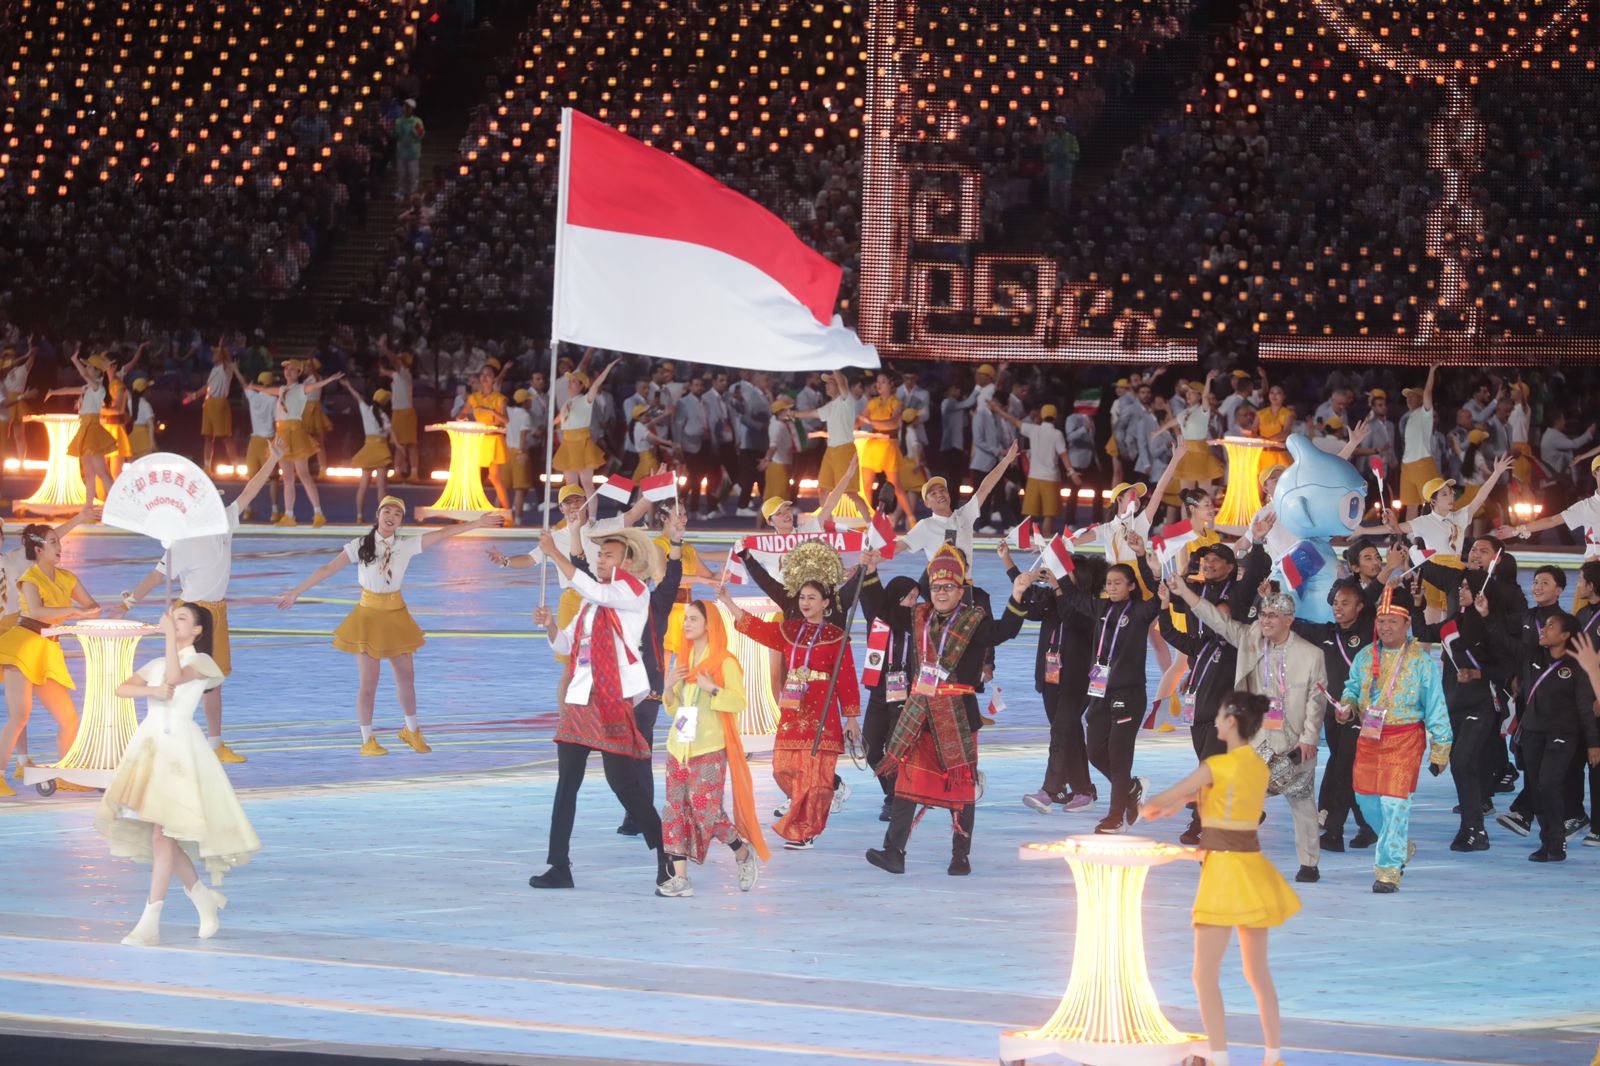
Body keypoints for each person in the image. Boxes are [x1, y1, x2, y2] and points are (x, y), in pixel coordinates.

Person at [1139, 691, 1298, 1066]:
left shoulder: (1213, 765)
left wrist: (1152, 804)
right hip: (1253, 870)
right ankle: (1273, 1055)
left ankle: (1219, 1057)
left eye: (1221, 715)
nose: (1215, 720)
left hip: (1223, 873)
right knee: (1257, 971)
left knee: (1203, 974)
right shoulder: (1258, 766)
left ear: (1231, 722)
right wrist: (1191, 800)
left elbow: (1164, 797)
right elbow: (1229, 794)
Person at [276, 497, 503, 753]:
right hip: (368, 616)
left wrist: (477, 523)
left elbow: (442, 533)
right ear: (377, 514)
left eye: (397, 513)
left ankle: (412, 731)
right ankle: (367, 740)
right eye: (387, 511)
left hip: (396, 615)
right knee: (369, 682)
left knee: (406, 677)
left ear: (400, 521)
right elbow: (328, 568)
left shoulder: (406, 545)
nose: (391, 516)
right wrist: (297, 591)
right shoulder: (360, 545)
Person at [94, 604, 261, 946]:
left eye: (183, 618)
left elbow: (174, 678)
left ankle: (149, 923)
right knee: (163, 838)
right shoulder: (155, 664)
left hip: (179, 753)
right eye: (174, 617)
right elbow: (123, 688)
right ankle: (202, 897)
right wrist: (149, 691)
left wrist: (169, 639)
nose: (175, 621)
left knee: (162, 837)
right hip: (150, 749)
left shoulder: (201, 662)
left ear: (198, 631)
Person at [863, 547, 1031, 875]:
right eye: (936, 587)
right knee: (906, 784)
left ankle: (960, 856)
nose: (941, 593)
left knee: (960, 787)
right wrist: (869, 573)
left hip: (958, 715)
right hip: (920, 715)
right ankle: (894, 852)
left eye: (948, 587)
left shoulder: (974, 621)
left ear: (960, 590)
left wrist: (1017, 595)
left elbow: (1006, 631)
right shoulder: (918, 617)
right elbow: (879, 611)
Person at [529, 527, 671, 890]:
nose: (601, 559)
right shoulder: (594, 605)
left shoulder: (633, 592)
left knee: (623, 784)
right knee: (567, 784)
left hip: (612, 697)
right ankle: (559, 865)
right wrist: (550, 627)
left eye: (608, 555)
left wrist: (555, 553)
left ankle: (667, 853)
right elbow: (566, 642)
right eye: (601, 555)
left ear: (627, 562)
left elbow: (592, 587)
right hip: (581, 698)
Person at [123, 444, 284, 764]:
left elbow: (252, 490)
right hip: (194, 614)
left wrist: (275, 458)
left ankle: (213, 744)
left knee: (213, 680)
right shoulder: (182, 540)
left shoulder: (225, 520)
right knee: (189, 680)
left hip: (215, 612)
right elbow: (157, 576)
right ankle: (171, 740)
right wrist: (129, 602)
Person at [1166, 578, 1328, 883]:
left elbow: (1316, 702)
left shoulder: (1310, 654)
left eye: (1273, 616)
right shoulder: (1251, 638)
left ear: (1289, 620)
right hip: (1256, 738)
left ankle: (1309, 863)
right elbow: (1216, 618)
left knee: (1302, 802)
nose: (1265, 621)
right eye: (1263, 615)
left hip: (1293, 741)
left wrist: (1308, 738)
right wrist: (1184, 593)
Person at [718, 541, 861, 850]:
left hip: (823, 712)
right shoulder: (789, 629)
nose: (805, 602)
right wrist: (730, 604)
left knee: (816, 777)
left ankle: (805, 830)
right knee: (782, 768)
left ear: (826, 603)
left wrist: (851, 718)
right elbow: (755, 629)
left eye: (812, 598)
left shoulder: (837, 636)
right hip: (794, 711)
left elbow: (847, 679)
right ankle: (812, 806)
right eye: (803, 597)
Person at [1335, 587, 1452, 892]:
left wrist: (1440, 748)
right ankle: (1400, 846)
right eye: (1381, 621)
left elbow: (1436, 706)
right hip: (1370, 738)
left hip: (1405, 739)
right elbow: (1351, 687)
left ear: (1407, 624)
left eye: (1392, 622)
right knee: (1365, 800)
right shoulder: (1364, 656)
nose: (1385, 627)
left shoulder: (1421, 662)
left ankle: (1388, 870)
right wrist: (1346, 705)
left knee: (1393, 804)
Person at [1158, 538, 1272, 844]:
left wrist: (1258, 542)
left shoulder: (1237, 592)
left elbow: (1256, 570)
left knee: (1210, 762)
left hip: (1228, 675)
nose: (1207, 565)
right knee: (1208, 759)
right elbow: (1172, 603)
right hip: (1203, 675)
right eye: (1204, 561)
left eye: (1215, 561)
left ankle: (1201, 822)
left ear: (1231, 568)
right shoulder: (1199, 590)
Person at [656, 600, 768, 897]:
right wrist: (668, 686)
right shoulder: (683, 660)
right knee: (673, 810)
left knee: (706, 810)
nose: (687, 624)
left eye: (693, 618)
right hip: (679, 745)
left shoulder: (724, 662)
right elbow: (676, 709)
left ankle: (741, 852)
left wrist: (712, 688)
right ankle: (680, 878)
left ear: (709, 624)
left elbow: (738, 702)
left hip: (709, 747)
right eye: (686, 619)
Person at [1054, 529, 1163, 833]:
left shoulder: (1141, 611)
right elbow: (1074, 597)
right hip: (1099, 691)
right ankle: (1129, 787)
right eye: (1109, 583)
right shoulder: (1101, 608)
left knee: (1119, 753)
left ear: (1130, 586)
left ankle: (1116, 816)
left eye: (1118, 583)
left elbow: (1155, 592)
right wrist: (1059, 567)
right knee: (1093, 751)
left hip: (1128, 693)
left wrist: (1142, 556)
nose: (1112, 587)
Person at [0, 522, 107, 797]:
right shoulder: (30, 578)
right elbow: (36, 611)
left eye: (58, 542)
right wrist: (72, 611)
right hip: (22, 647)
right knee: (19, 716)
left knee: (69, 717)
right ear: (38, 549)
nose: (60, 547)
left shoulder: (68, 578)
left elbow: (91, 605)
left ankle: (67, 773)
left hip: (47, 651)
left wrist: (90, 611)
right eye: (53, 543)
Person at [1356, 458, 1512, 619]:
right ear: (1433, 501)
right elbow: (1396, 528)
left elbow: (1481, 496)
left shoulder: (1460, 517)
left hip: (1456, 575)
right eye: (1444, 494)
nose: (1451, 496)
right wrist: (1363, 529)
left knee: (1452, 627)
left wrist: (1497, 472)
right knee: (1429, 633)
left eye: (1451, 492)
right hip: (1433, 576)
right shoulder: (1424, 522)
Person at [1289, 579, 1378, 854]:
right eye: (1336, 603)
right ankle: (1369, 825)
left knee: (1342, 768)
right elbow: (1292, 623)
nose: (1338, 608)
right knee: (1348, 768)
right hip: (1334, 713)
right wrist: (1266, 600)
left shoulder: (1370, 630)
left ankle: (1334, 830)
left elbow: (1375, 604)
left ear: (1361, 607)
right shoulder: (1326, 633)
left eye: (1346, 603)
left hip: (1364, 715)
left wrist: (1385, 574)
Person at [1513, 611, 1600, 862]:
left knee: (1550, 783)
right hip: (1532, 733)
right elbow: (1505, 645)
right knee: (1538, 788)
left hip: (1562, 735)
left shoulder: (1576, 667)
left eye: (1551, 626)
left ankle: (1558, 839)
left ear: (1565, 636)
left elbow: (1585, 708)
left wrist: (1593, 743)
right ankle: (1549, 842)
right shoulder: (1532, 656)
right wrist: (1486, 616)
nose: (1544, 629)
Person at [246, 359, 343, 527]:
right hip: (282, 434)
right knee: (287, 478)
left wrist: (329, 380)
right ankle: (289, 515)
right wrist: (253, 387)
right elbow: (267, 389)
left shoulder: (301, 389)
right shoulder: (283, 389)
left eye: (292, 369)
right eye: (286, 369)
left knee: (304, 475)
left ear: (299, 373)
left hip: (295, 433)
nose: (288, 371)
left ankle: (318, 513)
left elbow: (316, 386)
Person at [896, 443, 1019, 565]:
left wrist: (1007, 460)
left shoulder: (965, 514)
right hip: (941, 583)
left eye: (942, 490)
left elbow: (985, 488)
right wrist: (877, 554)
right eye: (933, 494)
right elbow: (900, 545)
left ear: (949, 494)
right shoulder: (925, 525)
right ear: (927, 503)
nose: (939, 494)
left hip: (966, 583)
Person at [46, 347, 120, 503]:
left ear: (98, 372)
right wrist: (53, 392)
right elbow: (68, 390)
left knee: (102, 472)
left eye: (88, 366)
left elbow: (84, 375)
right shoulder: (88, 388)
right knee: (89, 473)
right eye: (85, 366)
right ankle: (88, 507)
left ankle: (116, 505)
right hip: (85, 428)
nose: (86, 369)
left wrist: (74, 360)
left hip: (92, 429)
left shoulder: (97, 387)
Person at [553, 360, 618, 520]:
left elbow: (596, 385)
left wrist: (607, 368)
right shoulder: (567, 403)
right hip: (568, 444)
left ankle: (592, 518)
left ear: (582, 386)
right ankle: (572, 517)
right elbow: (560, 419)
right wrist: (551, 423)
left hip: (582, 443)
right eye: (570, 381)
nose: (570, 384)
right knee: (571, 487)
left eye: (574, 382)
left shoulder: (585, 400)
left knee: (587, 484)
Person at [341, 381, 395, 524]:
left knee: (363, 485)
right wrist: (400, 447)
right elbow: (391, 434)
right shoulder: (383, 416)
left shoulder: (366, 409)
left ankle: (359, 516)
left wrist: (348, 385)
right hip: (381, 450)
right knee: (382, 487)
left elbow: (358, 397)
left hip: (368, 449)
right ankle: (382, 518)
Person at [185, 341, 242, 472]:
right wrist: (194, 396)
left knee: (225, 437)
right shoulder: (214, 369)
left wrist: (221, 345)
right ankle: (207, 466)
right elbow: (207, 387)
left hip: (219, 403)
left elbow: (225, 355)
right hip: (209, 403)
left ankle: (235, 466)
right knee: (208, 436)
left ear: (221, 355)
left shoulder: (227, 367)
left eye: (216, 353)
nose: (213, 355)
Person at [1398, 364, 1440, 519]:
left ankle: (1433, 533)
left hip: (1422, 463)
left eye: (1413, 396)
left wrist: (1431, 371)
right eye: (1407, 397)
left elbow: (1428, 392)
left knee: (1430, 502)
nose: (1408, 399)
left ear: (1421, 399)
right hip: (1407, 465)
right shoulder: (1408, 417)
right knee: (1411, 504)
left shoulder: (1425, 413)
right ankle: (1411, 538)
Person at [376, 337, 419, 483]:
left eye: (400, 360)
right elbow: (387, 371)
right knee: (398, 443)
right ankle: (398, 471)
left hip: (405, 412)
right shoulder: (399, 376)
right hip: (398, 412)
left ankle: (413, 472)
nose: (397, 361)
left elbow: (393, 361)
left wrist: (384, 347)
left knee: (410, 443)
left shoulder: (405, 373)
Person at [242, 371, 282, 521]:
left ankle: (247, 509)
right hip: (268, 441)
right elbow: (277, 422)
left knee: (252, 478)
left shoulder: (253, 397)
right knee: (273, 479)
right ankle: (274, 512)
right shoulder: (274, 401)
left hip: (254, 441)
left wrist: (236, 370)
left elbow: (245, 385)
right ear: (271, 384)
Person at [127, 378, 156, 458]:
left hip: (131, 437)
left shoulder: (128, 403)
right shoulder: (145, 405)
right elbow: (151, 425)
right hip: (144, 438)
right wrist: (152, 442)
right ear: (145, 391)